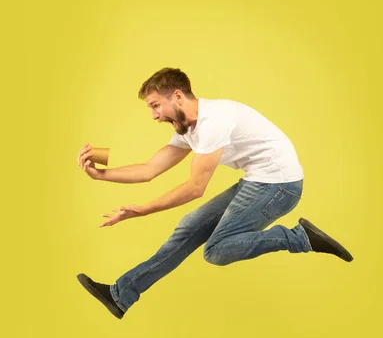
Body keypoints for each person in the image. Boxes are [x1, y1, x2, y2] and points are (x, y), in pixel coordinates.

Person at [76, 67, 353, 319]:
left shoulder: (212, 123)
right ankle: (120, 295)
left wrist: (142, 209)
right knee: (187, 229)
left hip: (280, 186)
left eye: (156, 105)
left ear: (177, 96)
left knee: (216, 251)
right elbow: (150, 169)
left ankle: (300, 238)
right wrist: (100, 174)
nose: (154, 115)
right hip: (258, 180)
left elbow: (195, 189)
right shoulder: (188, 128)